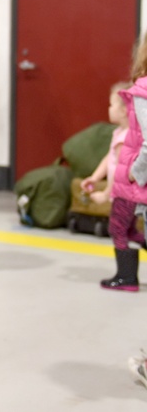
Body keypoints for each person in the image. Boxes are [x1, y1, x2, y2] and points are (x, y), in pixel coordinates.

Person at [100, 39, 147, 292]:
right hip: (129, 186)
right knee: (130, 230)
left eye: (111, 104)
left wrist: (133, 174)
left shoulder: (141, 93)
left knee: (118, 228)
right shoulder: (121, 133)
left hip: (129, 187)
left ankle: (126, 277)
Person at [77, 82, 130, 205]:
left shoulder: (125, 139)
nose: (109, 109)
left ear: (123, 111)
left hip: (123, 197)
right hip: (119, 195)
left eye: (111, 105)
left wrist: (106, 194)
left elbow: (120, 171)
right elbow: (110, 157)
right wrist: (95, 178)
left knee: (119, 225)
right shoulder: (118, 132)